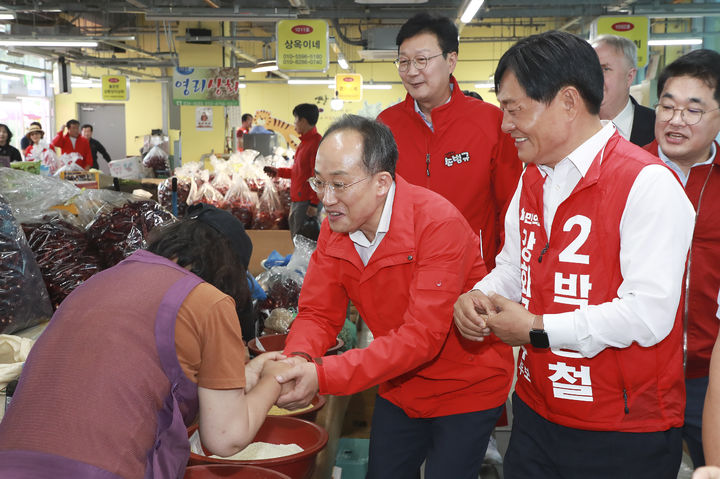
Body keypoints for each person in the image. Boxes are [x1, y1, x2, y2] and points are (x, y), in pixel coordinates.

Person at [453, 31, 695, 478]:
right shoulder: (532, 178)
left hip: (620, 429)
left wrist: (537, 330)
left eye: (514, 108)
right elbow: (514, 264)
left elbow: (649, 314)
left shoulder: (647, 184)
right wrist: (479, 294)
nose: (505, 124)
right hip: (537, 411)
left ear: (567, 102)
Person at [271, 115, 514, 479]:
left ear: (382, 182)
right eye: (319, 183)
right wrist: (296, 359)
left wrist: (321, 375)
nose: (327, 199)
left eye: (339, 184)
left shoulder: (436, 224)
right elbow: (319, 314)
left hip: (465, 386)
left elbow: (421, 338)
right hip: (399, 383)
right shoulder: (335, 228)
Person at [0, 203, 290, 478]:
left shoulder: (98, 283)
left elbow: (133, 386)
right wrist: (273, 381)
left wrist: (244, 377)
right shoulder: (209, 300)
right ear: (229, 273)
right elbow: (226, 437)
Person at [377, 13, 522, 271]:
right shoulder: (386, 125)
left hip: (472, 276)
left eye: (422, 60)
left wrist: (502, 277)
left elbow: (510, 210)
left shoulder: (491, 122)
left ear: (451, 60)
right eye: (403, 61)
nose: (411, 72)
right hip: (405, 274)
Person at [642, 49, 720, 468]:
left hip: (710, 378)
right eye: (667, 106)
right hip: (639, 374)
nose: (675, 120)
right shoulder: (626, 174)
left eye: (693, 110)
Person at [263, 104, 322, 239]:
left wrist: (313, 203)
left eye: (295, 120)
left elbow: (318, 175)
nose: (294, 124)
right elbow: (299, 172)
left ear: (303, 121)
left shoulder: (316, 143)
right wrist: (279, 172)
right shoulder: (304, 143)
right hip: (299, 200)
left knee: (303, 244)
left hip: (306, 201)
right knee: (297, 240)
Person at [591, 34, 656, 146]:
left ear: (629, 77)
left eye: (605, 69)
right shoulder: (571, 126)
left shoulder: (657, 127)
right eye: (590, 68)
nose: (593, 76)